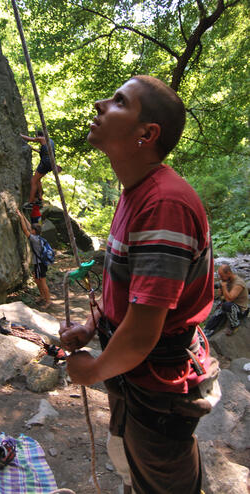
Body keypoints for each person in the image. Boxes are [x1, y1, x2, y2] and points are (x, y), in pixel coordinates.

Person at [58, 75, 220, 494]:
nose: (98, 103)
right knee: (138, 468)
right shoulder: (136, 193)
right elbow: (125, 289)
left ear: (146, 134)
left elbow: (145, 330)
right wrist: (92, 327)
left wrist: (94, 369)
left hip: (158, 384)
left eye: (117, 101)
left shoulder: (164, 205)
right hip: (137, 375)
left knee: (166, 482)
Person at [16, 208, 52, 309]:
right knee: (37, 279)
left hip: (40, 264)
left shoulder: (34, 239)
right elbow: (29, 227)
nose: (30, 230)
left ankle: (48, 301)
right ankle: (42, 296)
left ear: (34, 232)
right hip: (39, 263)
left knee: (42, 281)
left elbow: (24, 229)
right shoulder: (38, 237)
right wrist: (23, 216)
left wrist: (20, 218)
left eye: (32, 230)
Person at [203, 263, 249, 337]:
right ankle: (206, 333)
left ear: (228, 273)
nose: (220, 278)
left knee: (226, 305)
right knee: (216, 317)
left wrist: (224, 288)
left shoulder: (238, 283)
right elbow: (216, 285)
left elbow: (229, 299)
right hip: (229, 307)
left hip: (240, 310)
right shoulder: (227, 279)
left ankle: (235, 325)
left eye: (221, 276)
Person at [20, 129, 60, 209]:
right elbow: (42, 152)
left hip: (45, 163)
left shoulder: (42, 138)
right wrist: (33, 148)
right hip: (50, 163)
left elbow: (30, 139)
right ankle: (39, 198)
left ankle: (30, 202)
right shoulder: (50, 141)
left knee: (33, 181)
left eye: (37, 136)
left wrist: (19, 135)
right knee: (38, 180)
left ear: (39, 136)